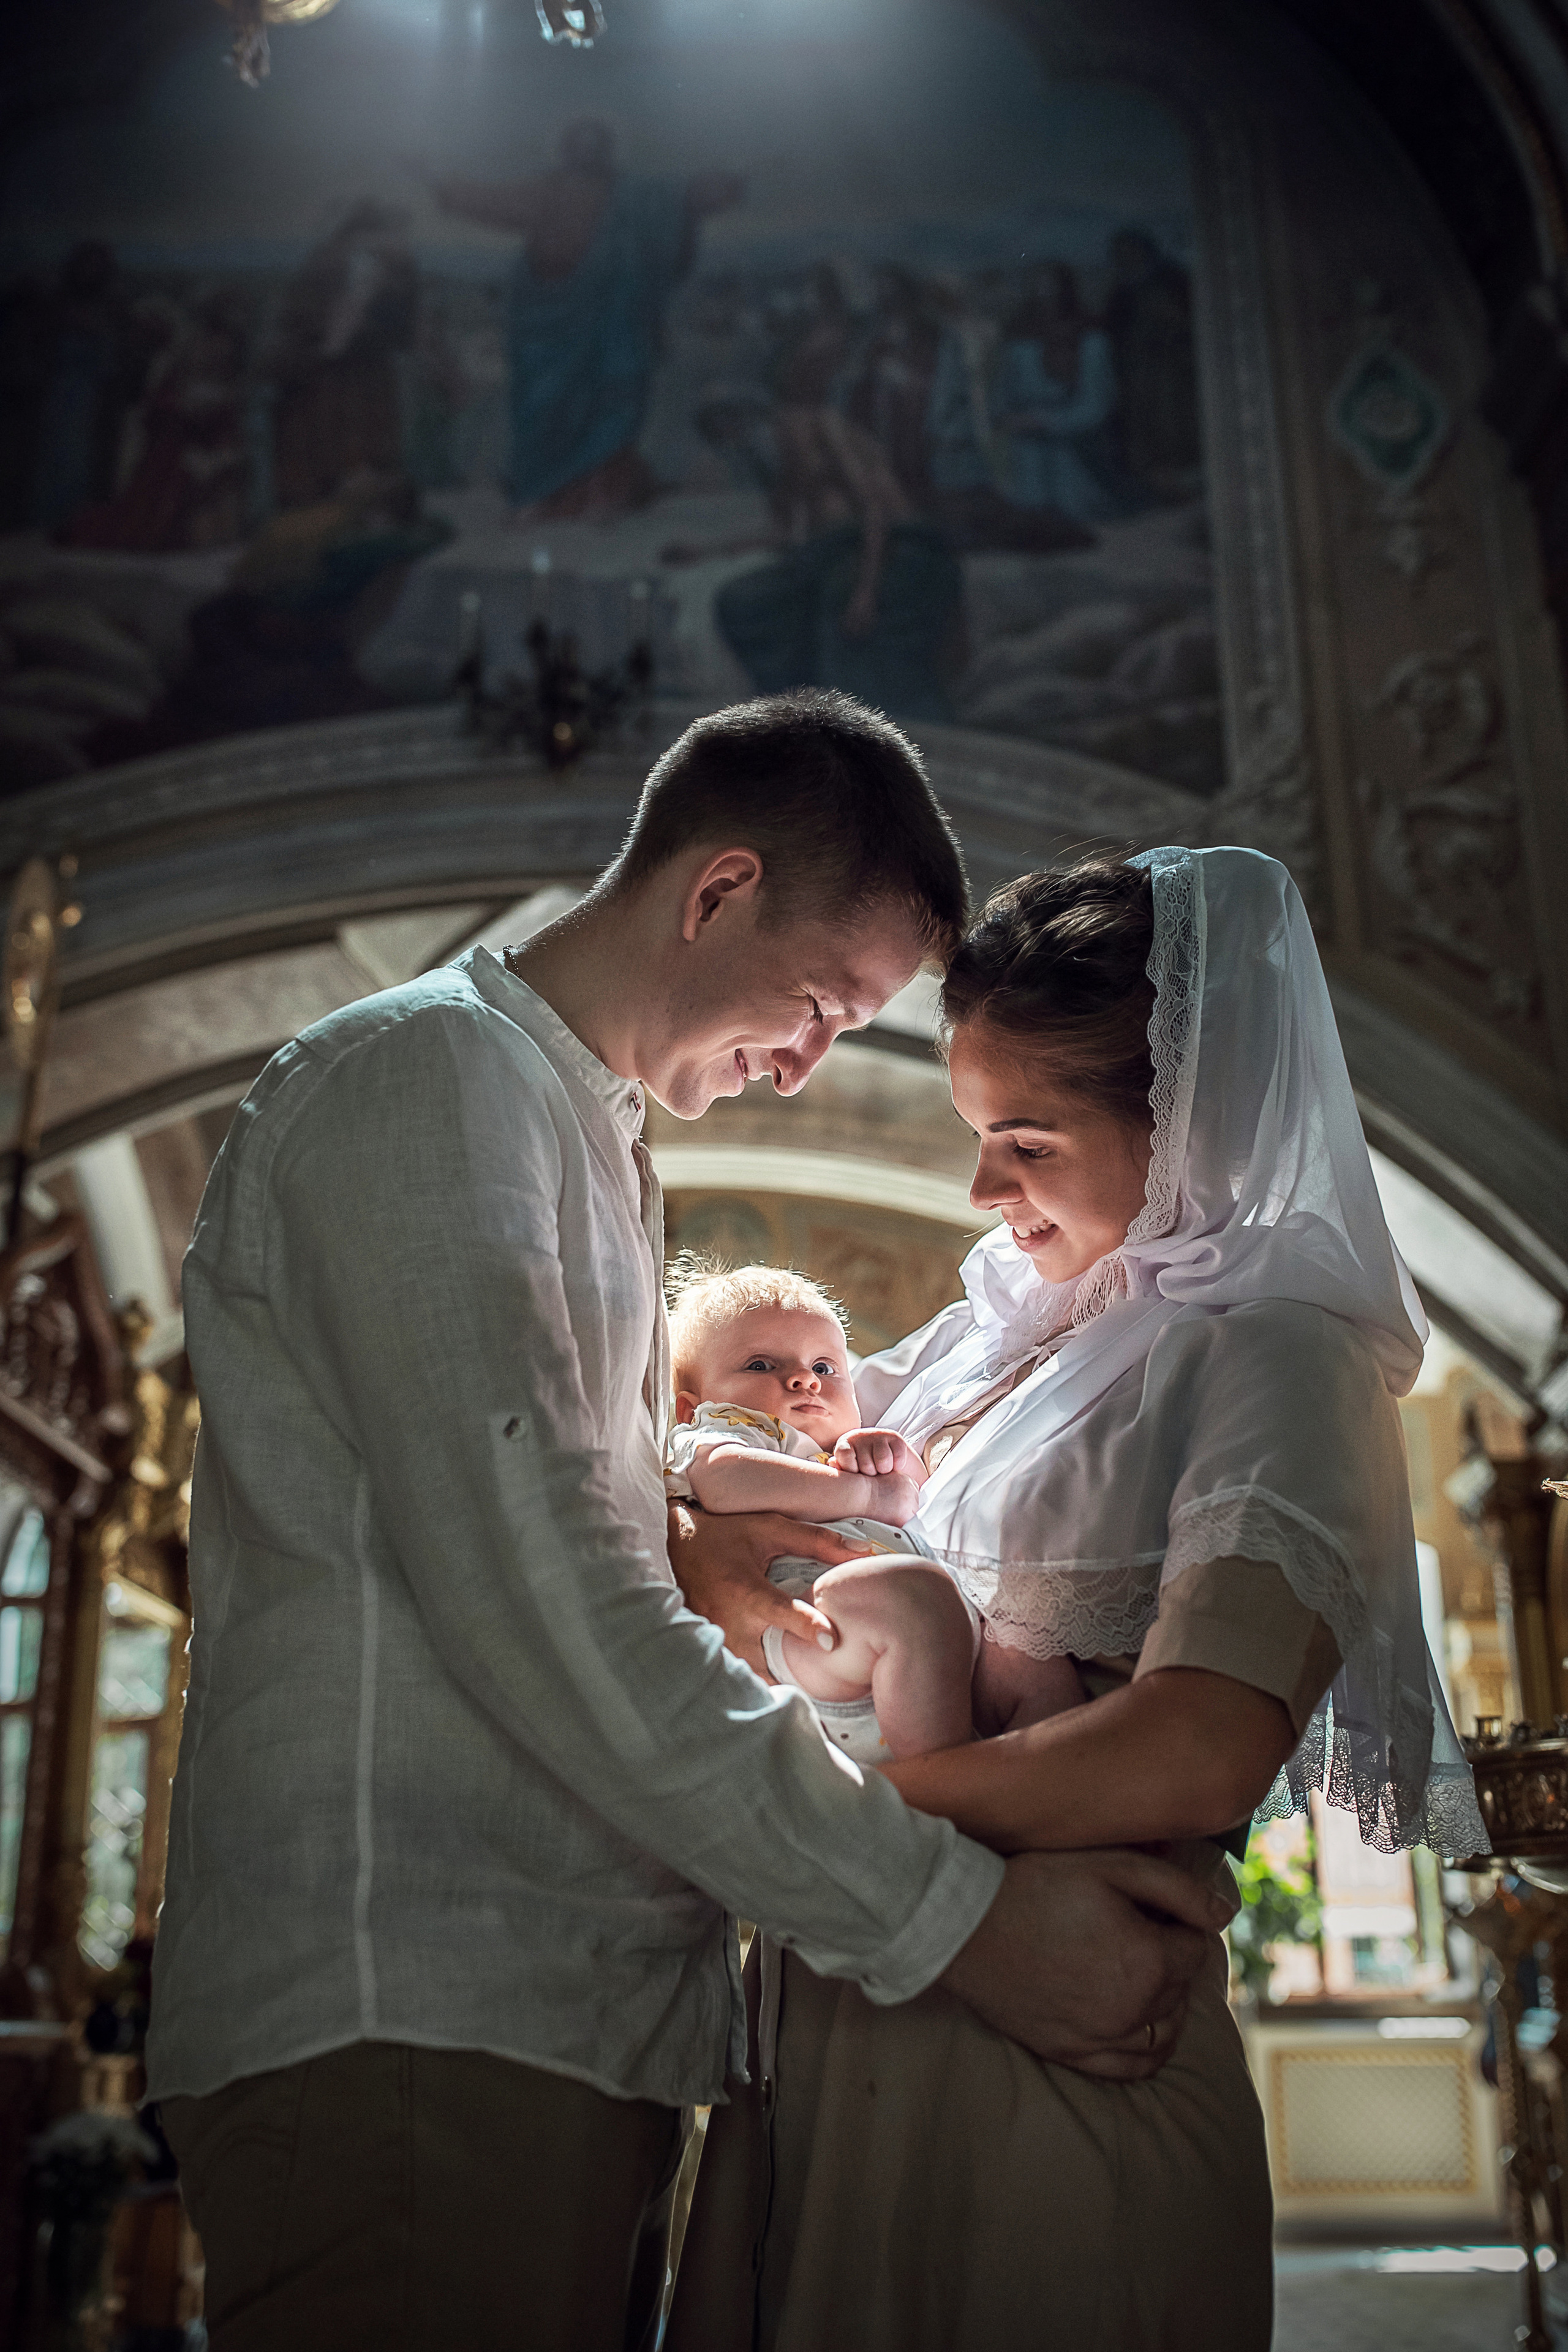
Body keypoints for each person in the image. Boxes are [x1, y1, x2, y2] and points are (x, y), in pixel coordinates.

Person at [146, 698, 1229, 2352]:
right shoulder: (431, 1088)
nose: (810, 1059)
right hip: (424, 2012)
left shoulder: (585, 1138)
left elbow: (604, 1567)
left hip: (559, 2018)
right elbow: (556, 1614)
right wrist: (959, 1930)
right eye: (820, 1003)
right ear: (718, 890)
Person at [668, 845, 1487, 2351]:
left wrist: (822, 1828)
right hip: (858, 1984)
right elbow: (713, 1499)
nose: (982, 1187)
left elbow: (1190, 1748)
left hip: (1058, 2043)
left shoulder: (1272, 1354)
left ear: (1182, 1121)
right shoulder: (996, 1336)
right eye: (979, 1133)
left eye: (1028, 1141)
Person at [663, 1260, 1081, 1765]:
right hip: (807, 1630)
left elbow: (924, 1510)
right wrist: (868, 1496)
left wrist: (899, 1462)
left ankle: (1046, 1784)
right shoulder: (732, 1432)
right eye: (760, 1365)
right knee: (915, 1599)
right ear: (691, 1407)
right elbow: (726, 1481)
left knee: (1032, 1651)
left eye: (824, 1367)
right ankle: (947, 1782)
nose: (803, 1380)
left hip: (901, 1645)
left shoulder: (840, 1452)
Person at [426, 120, 743, 519]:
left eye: (596, 146)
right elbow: (490, 201)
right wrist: (445, 184)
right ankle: (546, 493)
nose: (587, 153)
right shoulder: (545, 191)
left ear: (608, 151)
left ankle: (604, 493)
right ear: (565, 150)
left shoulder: (636, 195)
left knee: (615, 399)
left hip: (614, 320)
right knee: (544, 409)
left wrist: (707, 192)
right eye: (579, 145)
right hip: (545, 325)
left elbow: (681, 200)